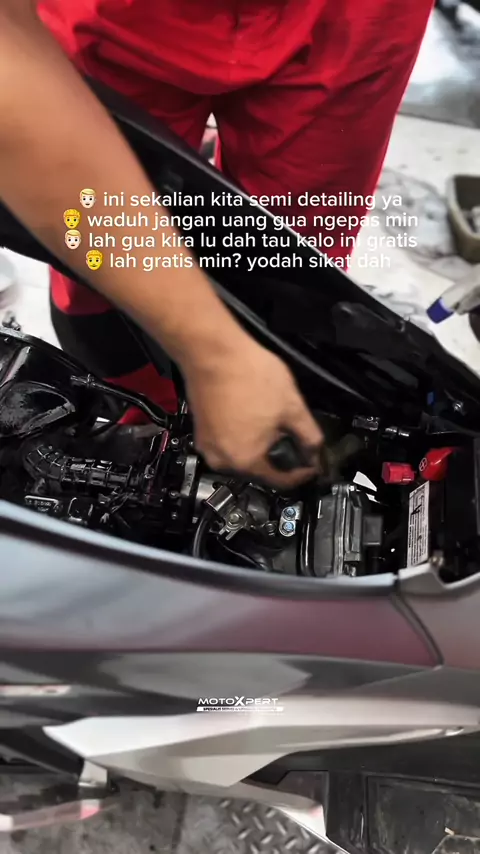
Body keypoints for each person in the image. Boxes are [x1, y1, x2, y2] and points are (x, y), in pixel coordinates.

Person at [0, 0, 433, 487]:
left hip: (350, 15)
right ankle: (148, 421)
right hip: (118, 10)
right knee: (101, 250)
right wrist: (214, 357)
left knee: (294, 271)